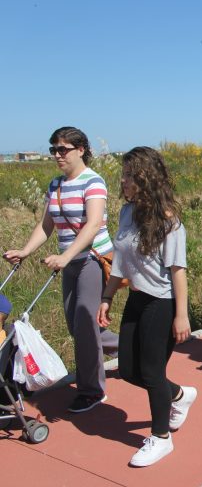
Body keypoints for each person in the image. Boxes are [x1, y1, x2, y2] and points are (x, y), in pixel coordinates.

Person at [3, 126, 118, 413]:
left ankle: (92, 390)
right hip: (70, 262)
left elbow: (92, 226)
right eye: (54, 149)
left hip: (93, 259)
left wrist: (66, 256)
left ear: (81, 150)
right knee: (78, 326)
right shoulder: (55, 185)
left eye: (63, 149)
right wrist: (25, 251)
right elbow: (46, 225)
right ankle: (132, 348)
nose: (57, 155)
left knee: (84, 322)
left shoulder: (94, 182)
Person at [96, 146, 194, 467]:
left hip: (163, 303)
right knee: (127, 369)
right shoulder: (126, 213)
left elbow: (178, 270)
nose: (122, 181)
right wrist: (107, 296)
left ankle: (161, 438)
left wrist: (181, 315)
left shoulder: (169, 221)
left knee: (152, 372)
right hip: (137, 298)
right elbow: (121, 264)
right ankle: (179, 395)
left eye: (128, 176)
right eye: (122, 175)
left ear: (144, 178)